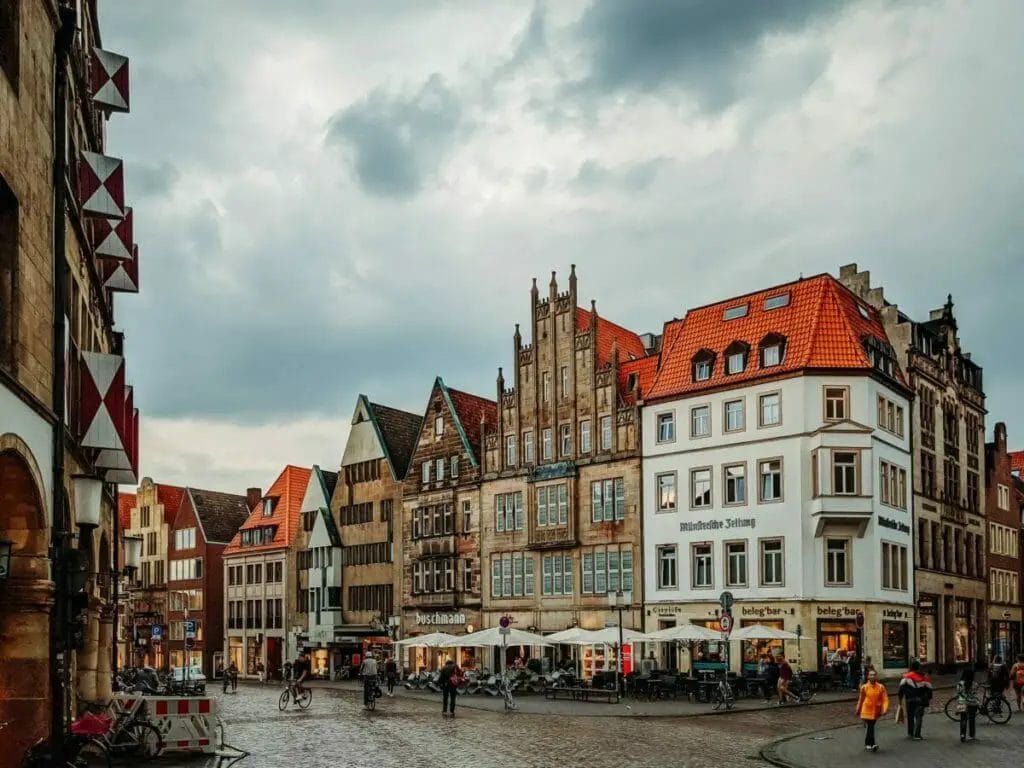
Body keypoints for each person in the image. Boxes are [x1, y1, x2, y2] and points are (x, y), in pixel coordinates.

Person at [898, 660, 933, 740]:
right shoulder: (924, 677)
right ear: (918, 667)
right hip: (920, 699)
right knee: (919, 717)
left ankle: (910, 733)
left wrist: (900, 699)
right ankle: (917, 734)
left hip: (909, 699)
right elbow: (930, 689)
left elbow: (901, 689)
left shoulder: (906, 677)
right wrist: (928, 699)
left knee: (910, 716)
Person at [856, 669, 889, 752]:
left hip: (876, 711)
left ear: (876, 676)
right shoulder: (864, 687)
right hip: (866, 709)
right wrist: (858, 709)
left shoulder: (881, 687)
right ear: (868, 677)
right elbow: (861, 699)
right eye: (871, 675)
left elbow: (885, 699)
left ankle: (868, 743)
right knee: (870, 725)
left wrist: (884, 709)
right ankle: (873, 744)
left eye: (874, 675)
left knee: (871, 726)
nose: (872, 676)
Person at [956, 665, 981, 742]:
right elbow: (975, 693)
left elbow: (958, 692)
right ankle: (971, 735)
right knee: (972, 719)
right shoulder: (975, 684)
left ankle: (962, 735)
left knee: (963, 719)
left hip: (961, 702)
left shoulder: (960, 684)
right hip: (972, 703)